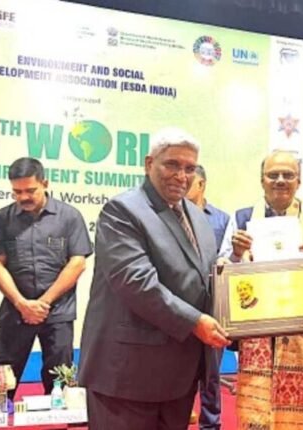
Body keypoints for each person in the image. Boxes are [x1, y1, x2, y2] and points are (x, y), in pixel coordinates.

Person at [79, 127, 230, 430]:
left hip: (179, 373)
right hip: (128, 375)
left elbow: (202, 280)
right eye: (172, 164)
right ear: (149, 164)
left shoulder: (197, 217)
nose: (181, 176)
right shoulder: (122, 211)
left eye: (189, 168)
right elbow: (137, 283)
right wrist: (195, 322)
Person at [219, 150, 303, 429]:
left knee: (302, 407)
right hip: (257, 325)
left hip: (300, 326)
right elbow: (222, 268)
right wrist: (236, 254)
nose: (280, 180)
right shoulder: (242, 218)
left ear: (298, 181)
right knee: (257, 405)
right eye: (273, 175)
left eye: (288, 175)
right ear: (262, 180)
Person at [0, 157, 92, 397]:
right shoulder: (2, 219)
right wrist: (22, 304)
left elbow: (77, 263)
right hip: (15, 311)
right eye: (17, 192)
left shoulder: (69, 217)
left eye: (30, 190)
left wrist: (43, 303)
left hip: (58, 312)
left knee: (60, 385)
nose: (23, 197)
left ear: (45, 183)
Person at [185, 164, 229, 429]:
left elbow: (228, 259)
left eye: (189, 180)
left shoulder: (222, 220)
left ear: (201, 184)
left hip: (214, 305)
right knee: (178, 369)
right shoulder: (169, 217)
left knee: (211, 372)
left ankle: (211, 423)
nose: (182, 183)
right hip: (181, 305)